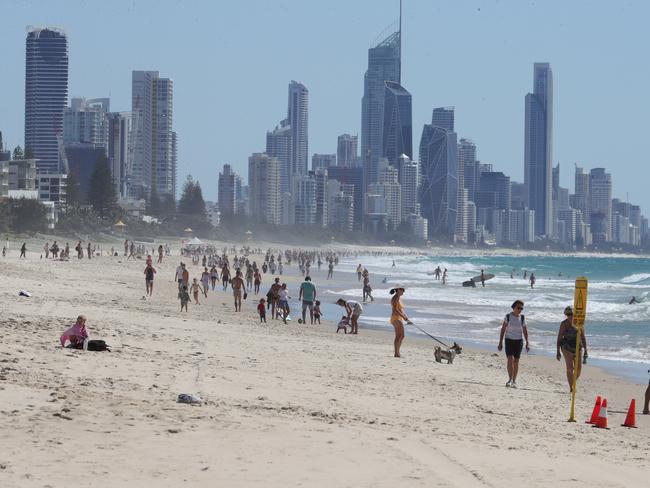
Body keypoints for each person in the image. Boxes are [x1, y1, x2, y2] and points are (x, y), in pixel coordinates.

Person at [498, 300, 530, 388]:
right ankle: (509, 379)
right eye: (518, 308)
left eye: (521, 308)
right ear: (514, 307)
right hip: (509, 340)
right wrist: (500, 342)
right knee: (510, 359)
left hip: (519, 341)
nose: (520, 310)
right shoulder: (508, 316)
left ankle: (514, 381)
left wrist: (527, 342)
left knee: (516, 361)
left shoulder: (522, 317)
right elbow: (503, 329)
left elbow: (525, 330)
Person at [556, 306, 587, 392]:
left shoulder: (580, 324)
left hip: (578, 347)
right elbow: (559, 338)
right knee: (570, 368)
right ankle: (571, 388)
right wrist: (558, 351)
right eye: (568, 314)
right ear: (566, 315)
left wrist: (586, 351)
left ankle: (572, 382)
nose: (570, 316)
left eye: (572, 314)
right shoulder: (564, 324)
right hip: (566, 346)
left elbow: (583, 337)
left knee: (578, 369)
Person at [389, 287, 411, 358]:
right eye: (402, 291)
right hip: (395, 318)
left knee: (401, 336)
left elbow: (401, 310)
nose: (403, 292)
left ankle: (397, 352)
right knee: (399, 336)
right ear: (398, 290)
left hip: (399, 318)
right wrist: (404, 317)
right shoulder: (395, 298)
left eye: (403, 291)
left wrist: (406, 317)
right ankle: (397, 353)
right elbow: (395, 310)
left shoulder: (398, 298)